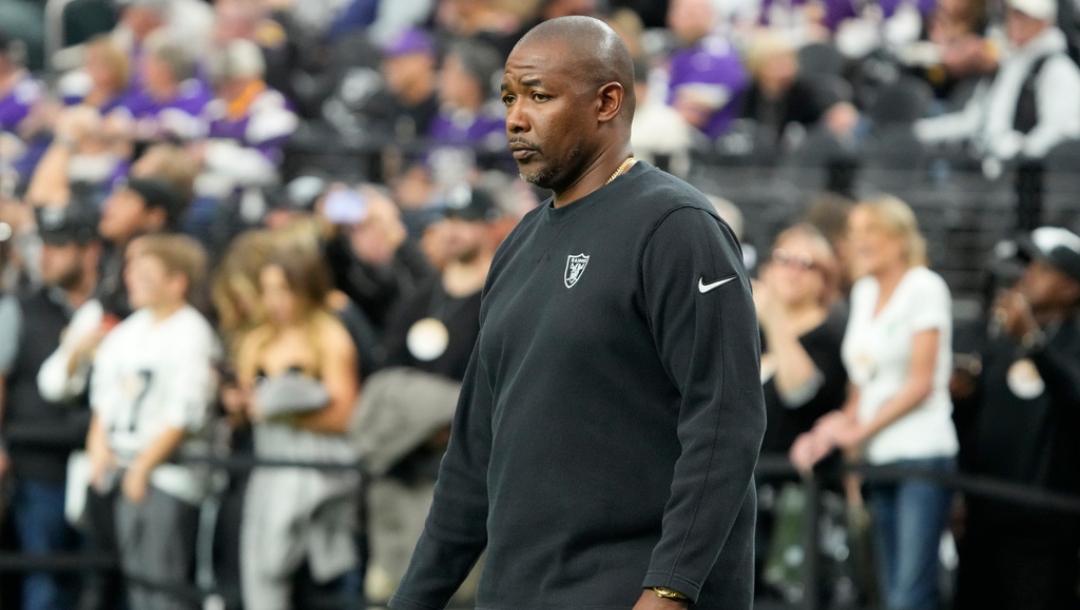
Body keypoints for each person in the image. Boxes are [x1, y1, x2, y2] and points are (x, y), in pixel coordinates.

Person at [390, 16, 765, 610]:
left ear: (607, 102)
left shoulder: (677, 227)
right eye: (509, 97)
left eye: (539, 95)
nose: (516, 116)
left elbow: (725, 423)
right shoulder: (517, 244)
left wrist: (669, 589)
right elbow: (472, 459)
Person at [791, 196, 958, 610]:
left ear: (899, 239)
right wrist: (832, 431)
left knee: (911, 593)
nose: (860, 241)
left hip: (922, 455)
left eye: (871, 230)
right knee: (886, 589)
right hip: (875, 458)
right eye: (855, 232)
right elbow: (862, 386)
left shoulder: (925, 287)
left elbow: (920, 383)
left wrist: (858, 431)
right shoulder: (863, 292)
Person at [87, 234, 217, 610]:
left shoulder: (192, 333)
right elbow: (104, 396)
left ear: (177, 282)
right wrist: (98, 445)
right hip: (123, 468)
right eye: (132, 270)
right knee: (137, 582)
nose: (132, 278)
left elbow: (185, 412)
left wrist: (143, 467)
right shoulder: (129, 331)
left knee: (163, 585)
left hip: (169, 476)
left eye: (146, 272)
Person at [953, 227, 1080, 610]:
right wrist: (962, 397)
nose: (1027, 278)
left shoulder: (1069, 344)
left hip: (1045, 530)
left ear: (1072, 288)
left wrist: (1034, 343)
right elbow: (980, 425)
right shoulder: (1001, 341)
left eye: (1043, 270)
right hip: (984, 519)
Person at [235, 246, 361, 610]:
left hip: (322, 471)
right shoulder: (256, 340)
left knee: (330, 575)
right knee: (265, 570)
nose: (275, 300)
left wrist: (284, 411)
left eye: (284, 289)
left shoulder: (329, 335)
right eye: (267, 289)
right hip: (268, 466)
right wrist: (238, 405)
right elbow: (246, 412)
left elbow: (346, 414)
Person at [0, 204, 101, 610]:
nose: (47, 255)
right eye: (46, 245)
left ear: (89, 250)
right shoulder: (19, 307)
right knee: (43, 582)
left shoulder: (115, 307)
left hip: (100, 467)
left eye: (60, 246)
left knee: (100, 582)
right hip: (38, 465)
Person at [913, 0, 1080, 162]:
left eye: (1025, 17)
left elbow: (1060, 132)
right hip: (987, 166)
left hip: (1025, 178)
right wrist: (921, 131)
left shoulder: (1057, 69)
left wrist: (1020, 152)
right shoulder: (1007, 63)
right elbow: (975, 120)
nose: (1016, 24)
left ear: (1045, 23)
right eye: (1013, 15)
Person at [662, 0, 749, 140]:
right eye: (683, 13)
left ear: (710, 16)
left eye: (695, 13)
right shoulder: (675, 53)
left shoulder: (718, 54)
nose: (692, 20)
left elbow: (693, 113)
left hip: (706, 144)